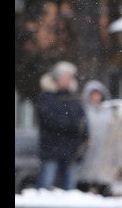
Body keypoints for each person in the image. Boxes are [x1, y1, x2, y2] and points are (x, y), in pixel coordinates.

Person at [36, 61, 88, 190]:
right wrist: (70, 125)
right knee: (45, 186)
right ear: (58, 78)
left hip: (71, 151)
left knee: (69, 189)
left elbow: (82, 122)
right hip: (51, 149)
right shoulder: (46, 97)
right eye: (67, 77)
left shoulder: (74, 99)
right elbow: (50, 120)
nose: (70, 80)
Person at [77, 80, 117, 196]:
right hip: (87, 154)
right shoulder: (84, 112)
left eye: (98, 94)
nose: (96, 97)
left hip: (104, 154)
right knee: (85, 187)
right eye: (93, 94)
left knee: (103, 186)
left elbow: (116, 137)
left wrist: (118, 159)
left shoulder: (109, 114)